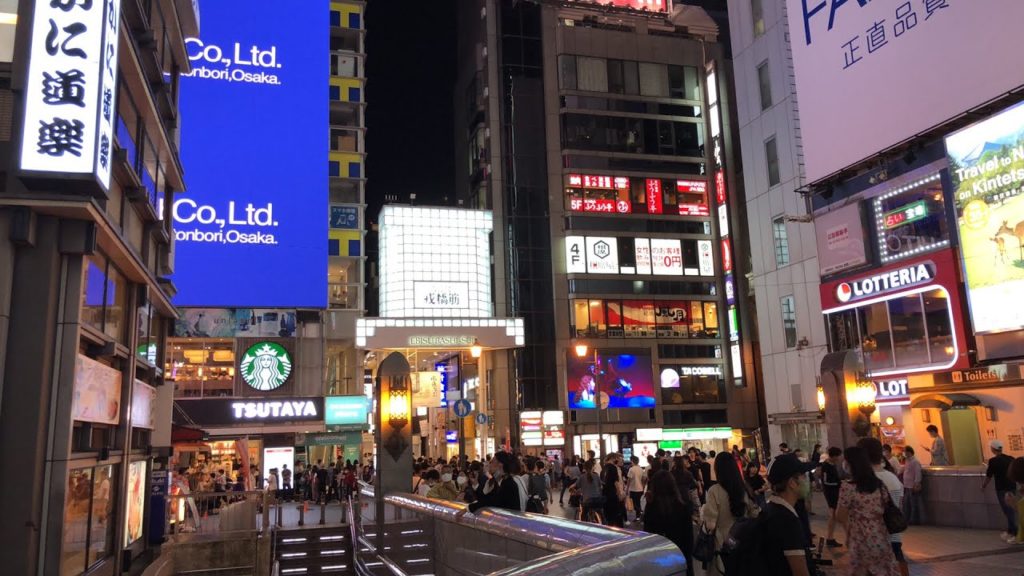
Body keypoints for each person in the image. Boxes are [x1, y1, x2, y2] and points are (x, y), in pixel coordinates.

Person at [836, 446, 900, 576]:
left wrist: (848, 532)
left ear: (850, 463)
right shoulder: (878, 483)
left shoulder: (848, 487)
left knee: (862, 570)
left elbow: (840, 515)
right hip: (881, 535)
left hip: (860, 537)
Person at [701, 452, 759, 576]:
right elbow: (755, 514)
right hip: (743, 543)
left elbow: (710, 525)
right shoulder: (744, 488)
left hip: (723, 546)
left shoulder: (714, 491)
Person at [761, 453, 814, 576]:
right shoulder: (787, 520)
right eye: (803, 476)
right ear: (792, 483)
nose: (806, 480)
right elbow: (800, 572)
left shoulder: (770, 508)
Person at [861, 437, 906, 573]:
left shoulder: (866, 481)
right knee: (898, 563)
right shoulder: (893, 478)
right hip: (894, 534)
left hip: (874, 538)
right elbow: (900, 505)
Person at [644, 470, 695, 576]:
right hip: (680, 555)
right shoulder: (682, 506)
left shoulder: (651, 507)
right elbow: (689, 537)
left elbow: (648, 533)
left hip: (659, 557)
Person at [982, 439, 1017, 542]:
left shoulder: (993, 461)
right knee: (1011, 509)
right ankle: (1010, 531)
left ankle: (1015, 532)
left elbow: (989, 476)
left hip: (1001, 488)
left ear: (993, 449)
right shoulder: (1011, 458)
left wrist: (983, 486)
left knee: (1008, 511)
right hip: (1012, 486)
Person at [820, 447, 844, 547]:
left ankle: (830, 538)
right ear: (833, 456)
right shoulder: (826, 466)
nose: (839, 458)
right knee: (833, 514)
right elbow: (825, 481)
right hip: (831, 492)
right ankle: (830, 538)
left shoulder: (832, 464)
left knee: (833, 514)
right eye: (838, 456)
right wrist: (838, 483)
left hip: (834, 491)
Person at [901, 446, 924, 525]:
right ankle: (907, 519)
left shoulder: (915, 461)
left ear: (909, 452)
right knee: (907, 503)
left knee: (913, 503)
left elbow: (918, 473)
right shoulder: (907, 461)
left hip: (912, 486)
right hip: (906, 485)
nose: (903, 453)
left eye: (904, 451)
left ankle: (914, 520)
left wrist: (916, 483)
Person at [602, 462, 626, 527]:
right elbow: (616, 483)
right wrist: (619, 493)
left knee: (610, 516)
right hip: (614, 494)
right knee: (617, 513)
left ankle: (611, 527)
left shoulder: (604, 469)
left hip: (607, 495)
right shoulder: (614, 469)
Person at [627, 455, 647, 521]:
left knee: (635, 504)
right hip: (640, 488)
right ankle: (639, 515)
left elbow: (629, 480)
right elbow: (643, 479)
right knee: (638, 502)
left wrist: (627, 489)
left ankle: (640, 515)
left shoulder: (631, 469)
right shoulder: (641, 469)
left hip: (633, 489)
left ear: (632, 461)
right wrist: (643, 487)